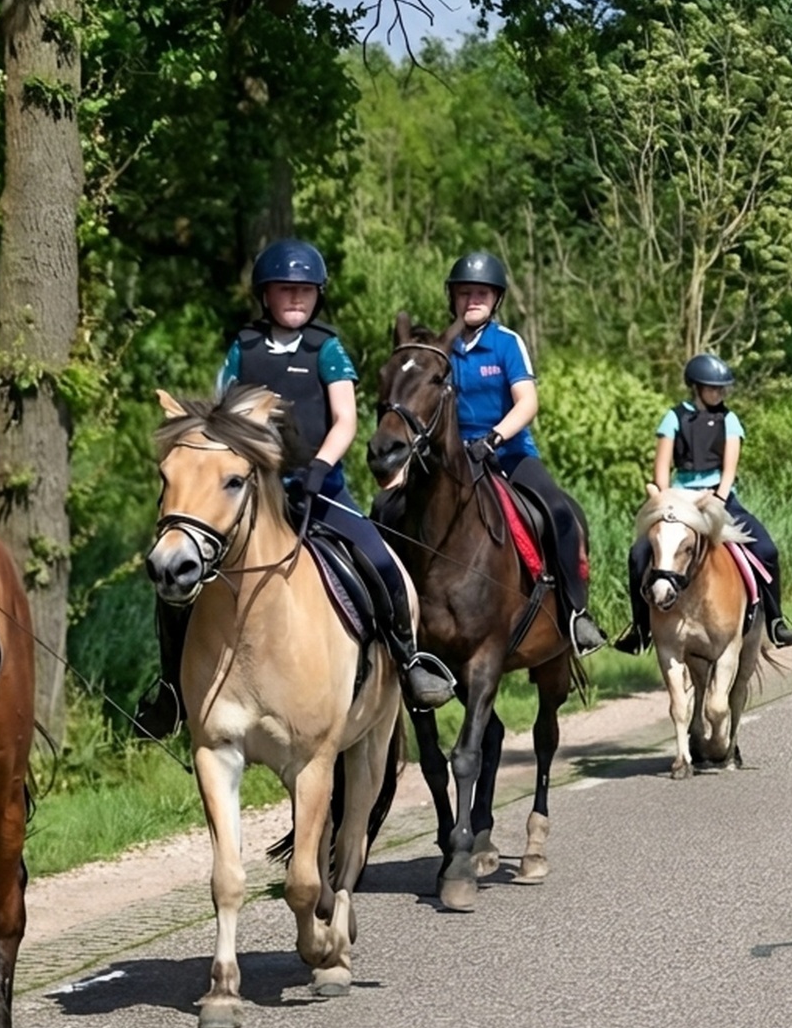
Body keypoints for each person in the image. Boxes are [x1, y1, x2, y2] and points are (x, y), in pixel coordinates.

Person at [143, 238, 456, 735]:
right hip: (249, 493)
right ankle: (172, 691)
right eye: (285, 290)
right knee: (179, 580)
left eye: (305, 291)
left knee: (377, 558)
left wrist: (319, 468)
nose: (295, 299)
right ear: (265, 295)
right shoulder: (243, 348)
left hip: (319, 486)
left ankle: (409, 659)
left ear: (318, 296)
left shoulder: (326, 349)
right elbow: (219, 417)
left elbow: (346, 419)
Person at [441, 251, 606, 655]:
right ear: (453, 299)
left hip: (508, 455)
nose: (472, 301)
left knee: (560, 513)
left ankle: (575, 613)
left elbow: (527, 402)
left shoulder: (506, 343)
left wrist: (493, 439)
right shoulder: (441, 348)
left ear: (496, 299)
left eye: (481, 293)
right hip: (453, 462)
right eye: (464, 293)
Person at [613, 353, 792, 653]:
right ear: (696, 388)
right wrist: (666, 503)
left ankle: (775, 622)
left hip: (719, 497)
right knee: (639, 554)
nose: (719, 393)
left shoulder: (730, 420)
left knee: (766, 549)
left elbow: (729, 470)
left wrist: (717, 500)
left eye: (722, 388)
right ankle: (640, 629)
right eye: (713, 388)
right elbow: (661, 471)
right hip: (678, 500)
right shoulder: (673, 417)